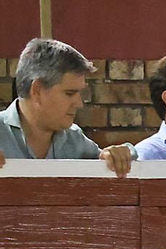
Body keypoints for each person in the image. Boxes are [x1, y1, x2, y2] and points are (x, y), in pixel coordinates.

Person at [0, 38, 134, 176]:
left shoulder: (74, 139)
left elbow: (116, 160)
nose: (79, 104)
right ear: (37, 91)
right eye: (69, 93)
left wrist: (118, 155)